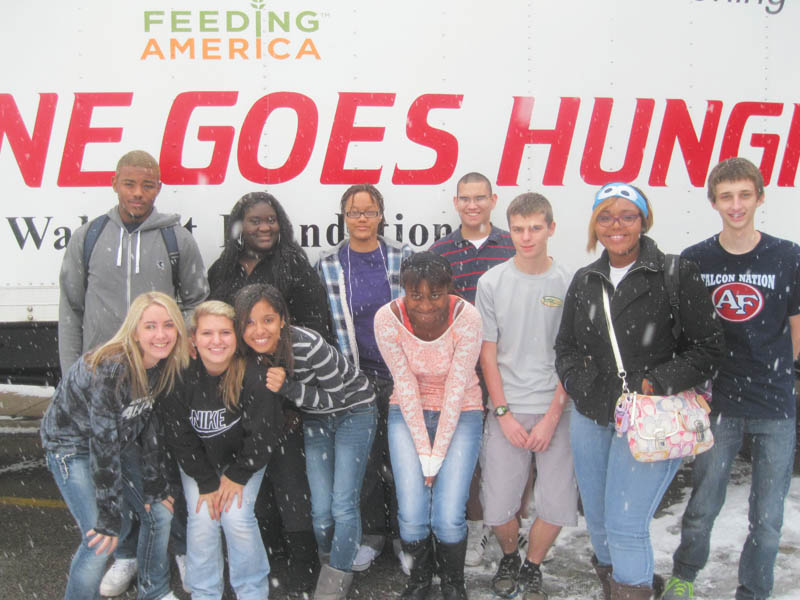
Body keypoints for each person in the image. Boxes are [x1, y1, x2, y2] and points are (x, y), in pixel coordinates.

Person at [554, 183, 724, 600]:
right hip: (593, 416)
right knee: (598, 522)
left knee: (625, 525)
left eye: (627, 215)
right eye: (606, 216)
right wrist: (580, 386)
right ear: (595, 224)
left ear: (643, 221)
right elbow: (566, 348)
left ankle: (633, 588)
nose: (617, 225)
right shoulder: (586, 278)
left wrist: (655, 383)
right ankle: (623, 587)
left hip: (652, 417)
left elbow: (709, 348)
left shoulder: (674, 272)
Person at [57, 149, 208, 596]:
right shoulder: (88, 237)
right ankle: (124, 553)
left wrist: (174, 358)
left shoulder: (176, 239)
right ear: (114, 183)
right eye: (129, 184)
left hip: (159, 380)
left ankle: (177, 548)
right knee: (115, 469)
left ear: (158, 187)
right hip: (104, 386)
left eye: (147, 185)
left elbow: (196, 302)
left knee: (162, 465)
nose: (138, 193)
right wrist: (71, 378)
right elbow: (71, 310)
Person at [663, 158, 800, 600]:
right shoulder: (697, 259)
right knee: (704, 503)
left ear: (760, 197)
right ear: (713, 202)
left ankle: (754, 590)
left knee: (768, 515)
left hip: (774, 403)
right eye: (727, 196)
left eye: (745, 195)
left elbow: (797, 326)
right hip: (716, 402)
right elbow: (683, 331)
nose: (736, 205)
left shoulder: (788, 256)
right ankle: (685, 574)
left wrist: (780, 372)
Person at [207, 191, 326, 593]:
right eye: (255, 220)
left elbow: (315, 327)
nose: (264, 227)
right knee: (252, 480)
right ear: (239, 225)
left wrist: (290, 384)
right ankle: (268, 558)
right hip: (239, 389)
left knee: (290, 480)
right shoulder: (222, 269)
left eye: (271, 219)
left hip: (284, 386)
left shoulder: (293, 264)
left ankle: (304, 569)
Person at [41, 291, 189, 600]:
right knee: (99, 540)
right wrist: (109, 516)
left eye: (168, 325)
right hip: (73, 445)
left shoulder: (164, 363)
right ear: (134, 330)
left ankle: (155, 592)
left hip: (118, 436)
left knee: (160, 511)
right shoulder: (112, 368)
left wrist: (153, 484)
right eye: (150, 326)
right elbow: (103, 443)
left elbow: (147, 422)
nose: (160, 334)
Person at [234, 283, 378, 600]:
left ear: (283, 319)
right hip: (315, 418)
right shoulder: (248, 352)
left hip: (353, 411)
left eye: (268, 320)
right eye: (249, 322)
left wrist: (288, 388)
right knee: (321, 511)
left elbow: (337, 396)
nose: (259, 330)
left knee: (342, 504)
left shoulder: (308, 345)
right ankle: (331, 560)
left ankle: (334, 583)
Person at [476, 193, 577, 599]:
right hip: (507, 410)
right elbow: (488, 353)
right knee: (498, 503)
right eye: (518, 228)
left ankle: (532, 565)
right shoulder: (492, 282)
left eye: (535, 227)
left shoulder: (571, 281)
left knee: (556, 503)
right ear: (508, 231)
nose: (526, 236)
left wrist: (554, 415)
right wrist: (503, 413)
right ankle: (508, 556)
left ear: (551, 228)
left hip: (559, 408)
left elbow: (573, 353)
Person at [374, 252, 484, 600]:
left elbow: (456, 388)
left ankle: (453, 584)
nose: (425, 304)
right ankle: (419, 581)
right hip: (407, 411)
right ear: (403, 291)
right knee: (411, 509)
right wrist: (424, 452)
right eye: (415, 294)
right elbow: (404, 384)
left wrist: (436, 457)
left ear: (449, 289)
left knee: (449, 513)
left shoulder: (467, 317)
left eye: (435, 294)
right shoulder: (387, 319)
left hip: (462, 410)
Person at [316, 184, 413, 572]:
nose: (361, 218)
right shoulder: (328, 263)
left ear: (380, 215)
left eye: (368, 211)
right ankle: (373, 535)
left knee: (403, 459)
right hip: (355, 381)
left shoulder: (400, 257)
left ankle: (406, 537)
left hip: (401, 374)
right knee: (367, 464)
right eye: (353, 212)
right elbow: (324, 322)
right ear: (343, 216)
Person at [160, 301, 278, 600]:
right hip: (201, 463)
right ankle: (204, 592)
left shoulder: (253, 375)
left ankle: (252, 590)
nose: (216, 341)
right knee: (203, 517)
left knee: (236, 516)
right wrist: (206, 481)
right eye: (207, 333)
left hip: (244, 461)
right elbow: (180, 437)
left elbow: (262, 436)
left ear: (236, 338)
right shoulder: (180, 377)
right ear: (193, 341)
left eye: (225, 332)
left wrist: (238, 476)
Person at [429, 171, 516, 566]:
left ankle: (510, 521)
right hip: (460, 370)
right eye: (465, 198)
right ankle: (476, 526)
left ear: (493, 200)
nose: (473, 205)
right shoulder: (441, 251)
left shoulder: (514, 246)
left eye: (480, 197)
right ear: (455, 202)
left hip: (508, 367)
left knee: (510, 449)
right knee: (466, 451)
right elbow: (431, 311)